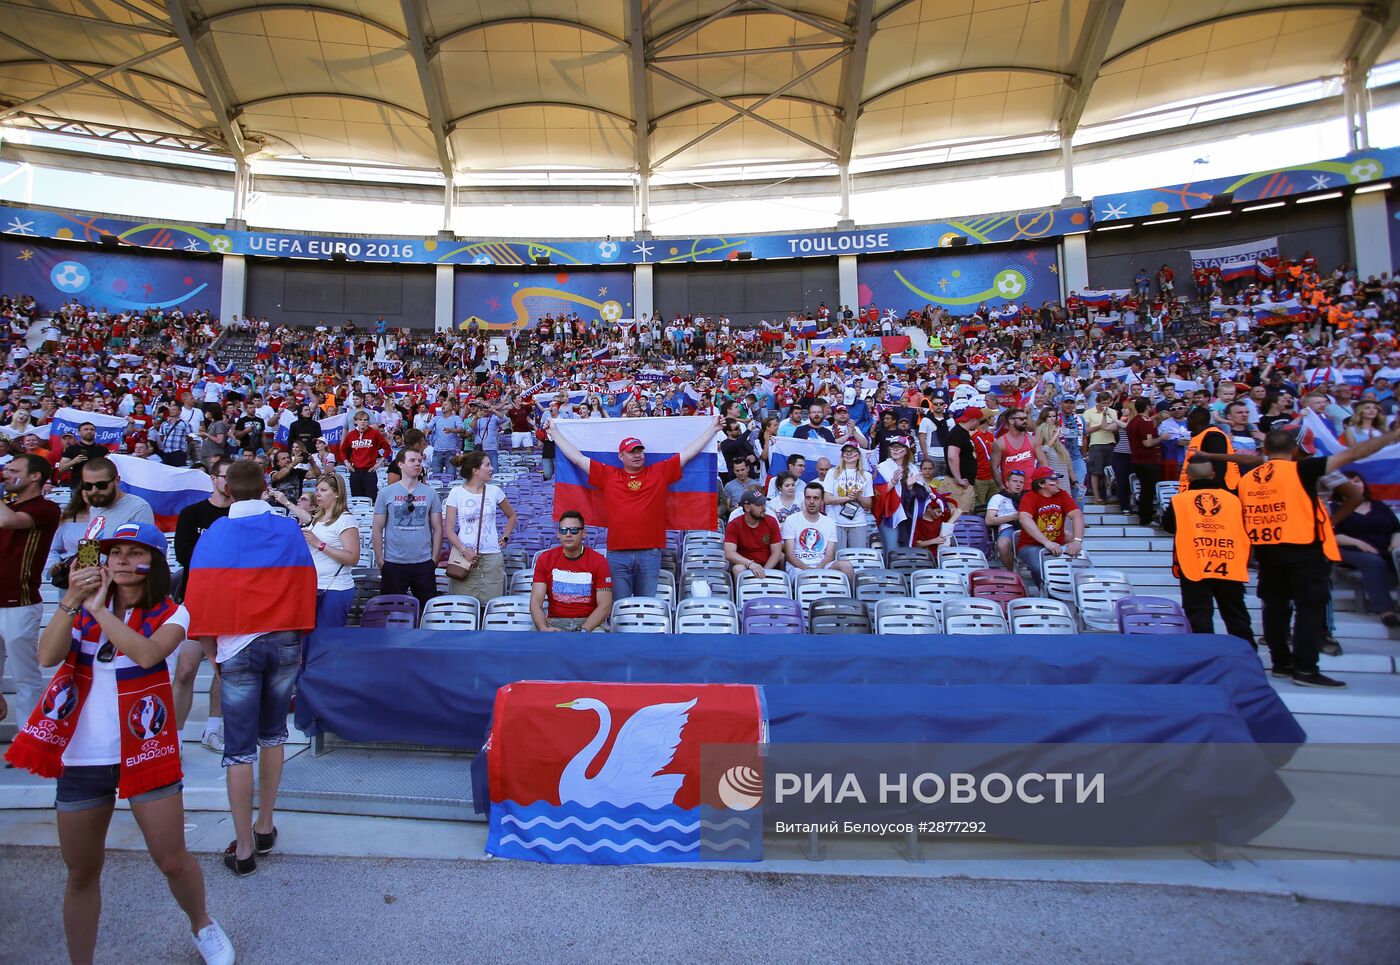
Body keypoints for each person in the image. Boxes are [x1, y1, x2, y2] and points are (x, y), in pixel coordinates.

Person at [5, 521, 235, 965]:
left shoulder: (174, 611)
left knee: (171, 859)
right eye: (114, 554)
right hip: (80, 756)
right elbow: (47, 657)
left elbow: (147, 654)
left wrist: (99, 610)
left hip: (145, 749)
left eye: (134, 553)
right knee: (82, 872)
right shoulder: (79, 608)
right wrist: (72, 602)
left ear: (154, 563)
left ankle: (202, 924)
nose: (123, 561)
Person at [185, 459, 317, 877]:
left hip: (235, 645)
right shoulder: (286, 529)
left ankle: (243, 849)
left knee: (238, 749)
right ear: (265, 486)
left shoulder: (217, 532)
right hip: (281, 641)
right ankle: (264, 825)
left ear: (228, 488)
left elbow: (200, 593)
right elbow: (305, 583)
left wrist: (210, 653)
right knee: (274, 733)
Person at [1232, 425, 1400, 688]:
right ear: (1295, 450)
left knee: (1275, 608)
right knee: (1310, 609)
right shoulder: (1302, 469)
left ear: (1265, 450)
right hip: (1303, 547)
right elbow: (1353, 454)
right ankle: (1306, 670)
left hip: (1265, 548)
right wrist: (1391, 437)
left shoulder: (1248, 479)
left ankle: (1281, 664)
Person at [547, 417, 721, 600]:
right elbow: (577, 458)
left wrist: (712, 430)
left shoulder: (659, 472)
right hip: (617, 554)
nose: (637, 455)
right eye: (632, 452)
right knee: (620, 605)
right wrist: (555, 433)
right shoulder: (608, 475)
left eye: (640, 451)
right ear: (621, 456)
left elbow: (688, 453)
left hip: (649, 553)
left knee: (646, 605)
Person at [1161, 458, 1256, 644]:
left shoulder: (1179, 501)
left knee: (1199, 617)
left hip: (1194, 565)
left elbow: (1169, 526)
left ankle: (1206, 656)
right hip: (1229, 563)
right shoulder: (1233, 499)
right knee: (1236, 615)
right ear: (1213, 474)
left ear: (1188, 477)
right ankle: (1246, 657)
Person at [172, 457, 232, 749]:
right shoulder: (192, 513)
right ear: (213, 479)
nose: (229, 482)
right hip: (195, 600)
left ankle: (213, 728)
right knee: (185, 670)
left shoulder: (239, 514)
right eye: (224, 476)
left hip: (230, 602)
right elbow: (185, 557)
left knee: (222, 669)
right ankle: (175, 737)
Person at [0, 453, 61, 727]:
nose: (6, 473)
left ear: (35, 476)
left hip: (19, 601)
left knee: (25, 675)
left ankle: (29, 736)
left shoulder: (46, 508)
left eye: (14, 470)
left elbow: (9, 522)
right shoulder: (7, 504)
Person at [47, 457, 156, 584]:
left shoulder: (138, 508)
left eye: (101, 485)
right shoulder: (96, 507)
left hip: (117, 588)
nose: (94, 491)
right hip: (91, 586)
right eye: (87, 486)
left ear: (116, 481)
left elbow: (140, 557)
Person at [274, 472, 360, 632]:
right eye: (317, 489)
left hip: (335, 588)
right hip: (314, 586)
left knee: (328, 639)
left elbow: (352, 558)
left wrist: (319, 544)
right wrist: (286, 502)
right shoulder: (320, 517)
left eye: (323, 490)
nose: (317, 494)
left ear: (336, 494)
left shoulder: (346, 520)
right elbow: (307, 518)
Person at [372, 447, 443, 613]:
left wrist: (433, 559)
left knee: (426, 612)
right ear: (400, 465)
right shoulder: (386, 493)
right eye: (412, 460)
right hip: (394, 563)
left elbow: (438, 529)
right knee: (391, 613)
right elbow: (377, 529)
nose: (418, 464)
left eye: (419, 460)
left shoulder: (430, 493)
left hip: (423, 564)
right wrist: (380, 560)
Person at [443, 450, 516, 607]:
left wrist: (505, 537)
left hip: (492, 557)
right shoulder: (456, 493)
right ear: (475, 470)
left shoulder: (495, 491)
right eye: (487, 465)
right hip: (465, 559)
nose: (492, 468)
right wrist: (464, 550)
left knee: (491, 605)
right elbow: (448, 529)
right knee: (464, 606)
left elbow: (512, 516)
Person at [1330, 472, 1400, 627]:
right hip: (1349, 551)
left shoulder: (1379, 506)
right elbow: (1329, 534)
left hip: (1383, 549)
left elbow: (1397, 529)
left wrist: (1395, 544)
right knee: (1373, 561)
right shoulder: (1335, 508)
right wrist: (1357, 543)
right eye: (1349, 483)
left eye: (1357, 481)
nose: (1354, 484)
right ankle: (1386, 611)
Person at [531, 509, 612, 631]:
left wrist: (584, 630)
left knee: (599, 641)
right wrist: (543, 627)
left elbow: (605, 605)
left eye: (574, 530)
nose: (568, 534)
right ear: (558, 534)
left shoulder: (599, 561)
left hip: (589, 621)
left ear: (583, 533)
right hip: (555, 621)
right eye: (563, 530)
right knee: (532, 640)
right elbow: (536, 600)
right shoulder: (545, 559)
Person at [1016, 466, 1085, 583]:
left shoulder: (1062, 494)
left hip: (1058, 543)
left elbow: (1077, 515)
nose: (1058, 482)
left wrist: (1077, 541)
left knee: (1080, 565)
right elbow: (1024, 518)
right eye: (1053, 480)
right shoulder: (1030, 497)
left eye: (1057, 479)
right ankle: (1047, 596)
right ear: (1042, 484)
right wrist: (1046, 542)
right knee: (1039, 567)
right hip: (1031, 545)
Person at [781, 482, 856, 582]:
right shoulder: (792, 520)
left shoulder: (829, 522)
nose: (811, 502)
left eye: (816, 498)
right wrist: (809, 570)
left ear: (822, 501)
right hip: (798, 567)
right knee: (806, 577)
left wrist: (818, 569)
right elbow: (790, 555)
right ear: (804, 499)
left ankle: (850, 597)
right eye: (808, 498)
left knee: (846, 566)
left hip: (822, 566)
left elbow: (830, 555)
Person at [822, 442, 874, 551]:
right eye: (846, 451)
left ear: (859, 455)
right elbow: (826, 499)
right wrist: (848, 498)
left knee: (858, 556)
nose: (849, 454)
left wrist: (859, 497)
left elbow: (869, 504)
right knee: (837, 557)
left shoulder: (867, 475)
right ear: (842, 455)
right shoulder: (832, 472)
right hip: (835, 521)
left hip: (858, 522)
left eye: (853, 451)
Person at [724, 489, 783, 580]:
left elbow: (777, 552)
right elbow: (729, 553)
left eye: (764, 504)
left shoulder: (771, 521)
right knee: (738, 568)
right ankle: (740, 594)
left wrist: (764, 571)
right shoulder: (734, 524)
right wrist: (750, 564)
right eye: (759, 505)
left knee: (782, 556)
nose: (764, 507)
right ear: (747, 508)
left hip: (769, 565)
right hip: (746, 566)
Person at [338, 410, 391, 500]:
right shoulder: (351, 435)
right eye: (360, 419)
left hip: (369, 471)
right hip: (355, 471)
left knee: (371, 498)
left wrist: (379, 463)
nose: (363, 422)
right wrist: (346, 462)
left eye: (365, 420)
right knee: (357, 499)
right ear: (355, 421)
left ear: (368, 422)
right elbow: (342, 450)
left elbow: (387, 449)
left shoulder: (375, 433)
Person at [1126, 398, 1163, 525]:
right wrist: (1162, 438)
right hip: (1147, 460)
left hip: (1138, 460)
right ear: (1148, 407)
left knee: (1145, 489)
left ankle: (1145, 515)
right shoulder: (1144, 422)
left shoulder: (1133, 421)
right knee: (1148, 489)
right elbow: (1148, 443)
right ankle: (1146, 517)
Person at [991, 407, 1044, 485]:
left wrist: (1041, 483)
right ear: (1011, 421)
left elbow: (1043, 462)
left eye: (1025, 418)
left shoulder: (1033, 440)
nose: (1025, 421)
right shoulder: (1000, 442)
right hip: (1010, 489)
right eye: (1021, 419)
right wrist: (1001, 487)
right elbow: (994, 467)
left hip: (1031, 487)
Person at [1083, 392, 1120, 503]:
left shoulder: (1113, 412)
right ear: (1097, 402)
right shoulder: (1088, 412)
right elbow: (1086, 430)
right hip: (1096, 444)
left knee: (1109, 472)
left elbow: (1116, 428)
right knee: (1096, 472)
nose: (1105, 406)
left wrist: (1108, 426)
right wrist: (1102, 426)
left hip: (1111, 443)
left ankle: (1107, 495)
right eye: (1103, 403)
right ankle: (1096, 497)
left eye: (1108, 403)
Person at [985, 469, 1026, 569]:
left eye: (1021, 482)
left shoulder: (1027, 497)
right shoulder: (997, 497)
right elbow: (989, 520)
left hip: (1028, 526)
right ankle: (1011, 572)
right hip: (1009, 527)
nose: (1018, 485)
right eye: (1015, 481)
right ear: (1007, 483)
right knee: (1003, 544)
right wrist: (1011, 517)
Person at [426, 400, 465, 477]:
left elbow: (462, 429)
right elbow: (427, 428)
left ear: (452, 407)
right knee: (436, 478)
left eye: (445, 404)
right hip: (437, 452)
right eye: (442, 405)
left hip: (451, 452)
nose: (442, 406)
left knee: (451, 477)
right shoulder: (436, 419)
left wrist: (452, 430)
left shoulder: (456, 418)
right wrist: (427, 431)